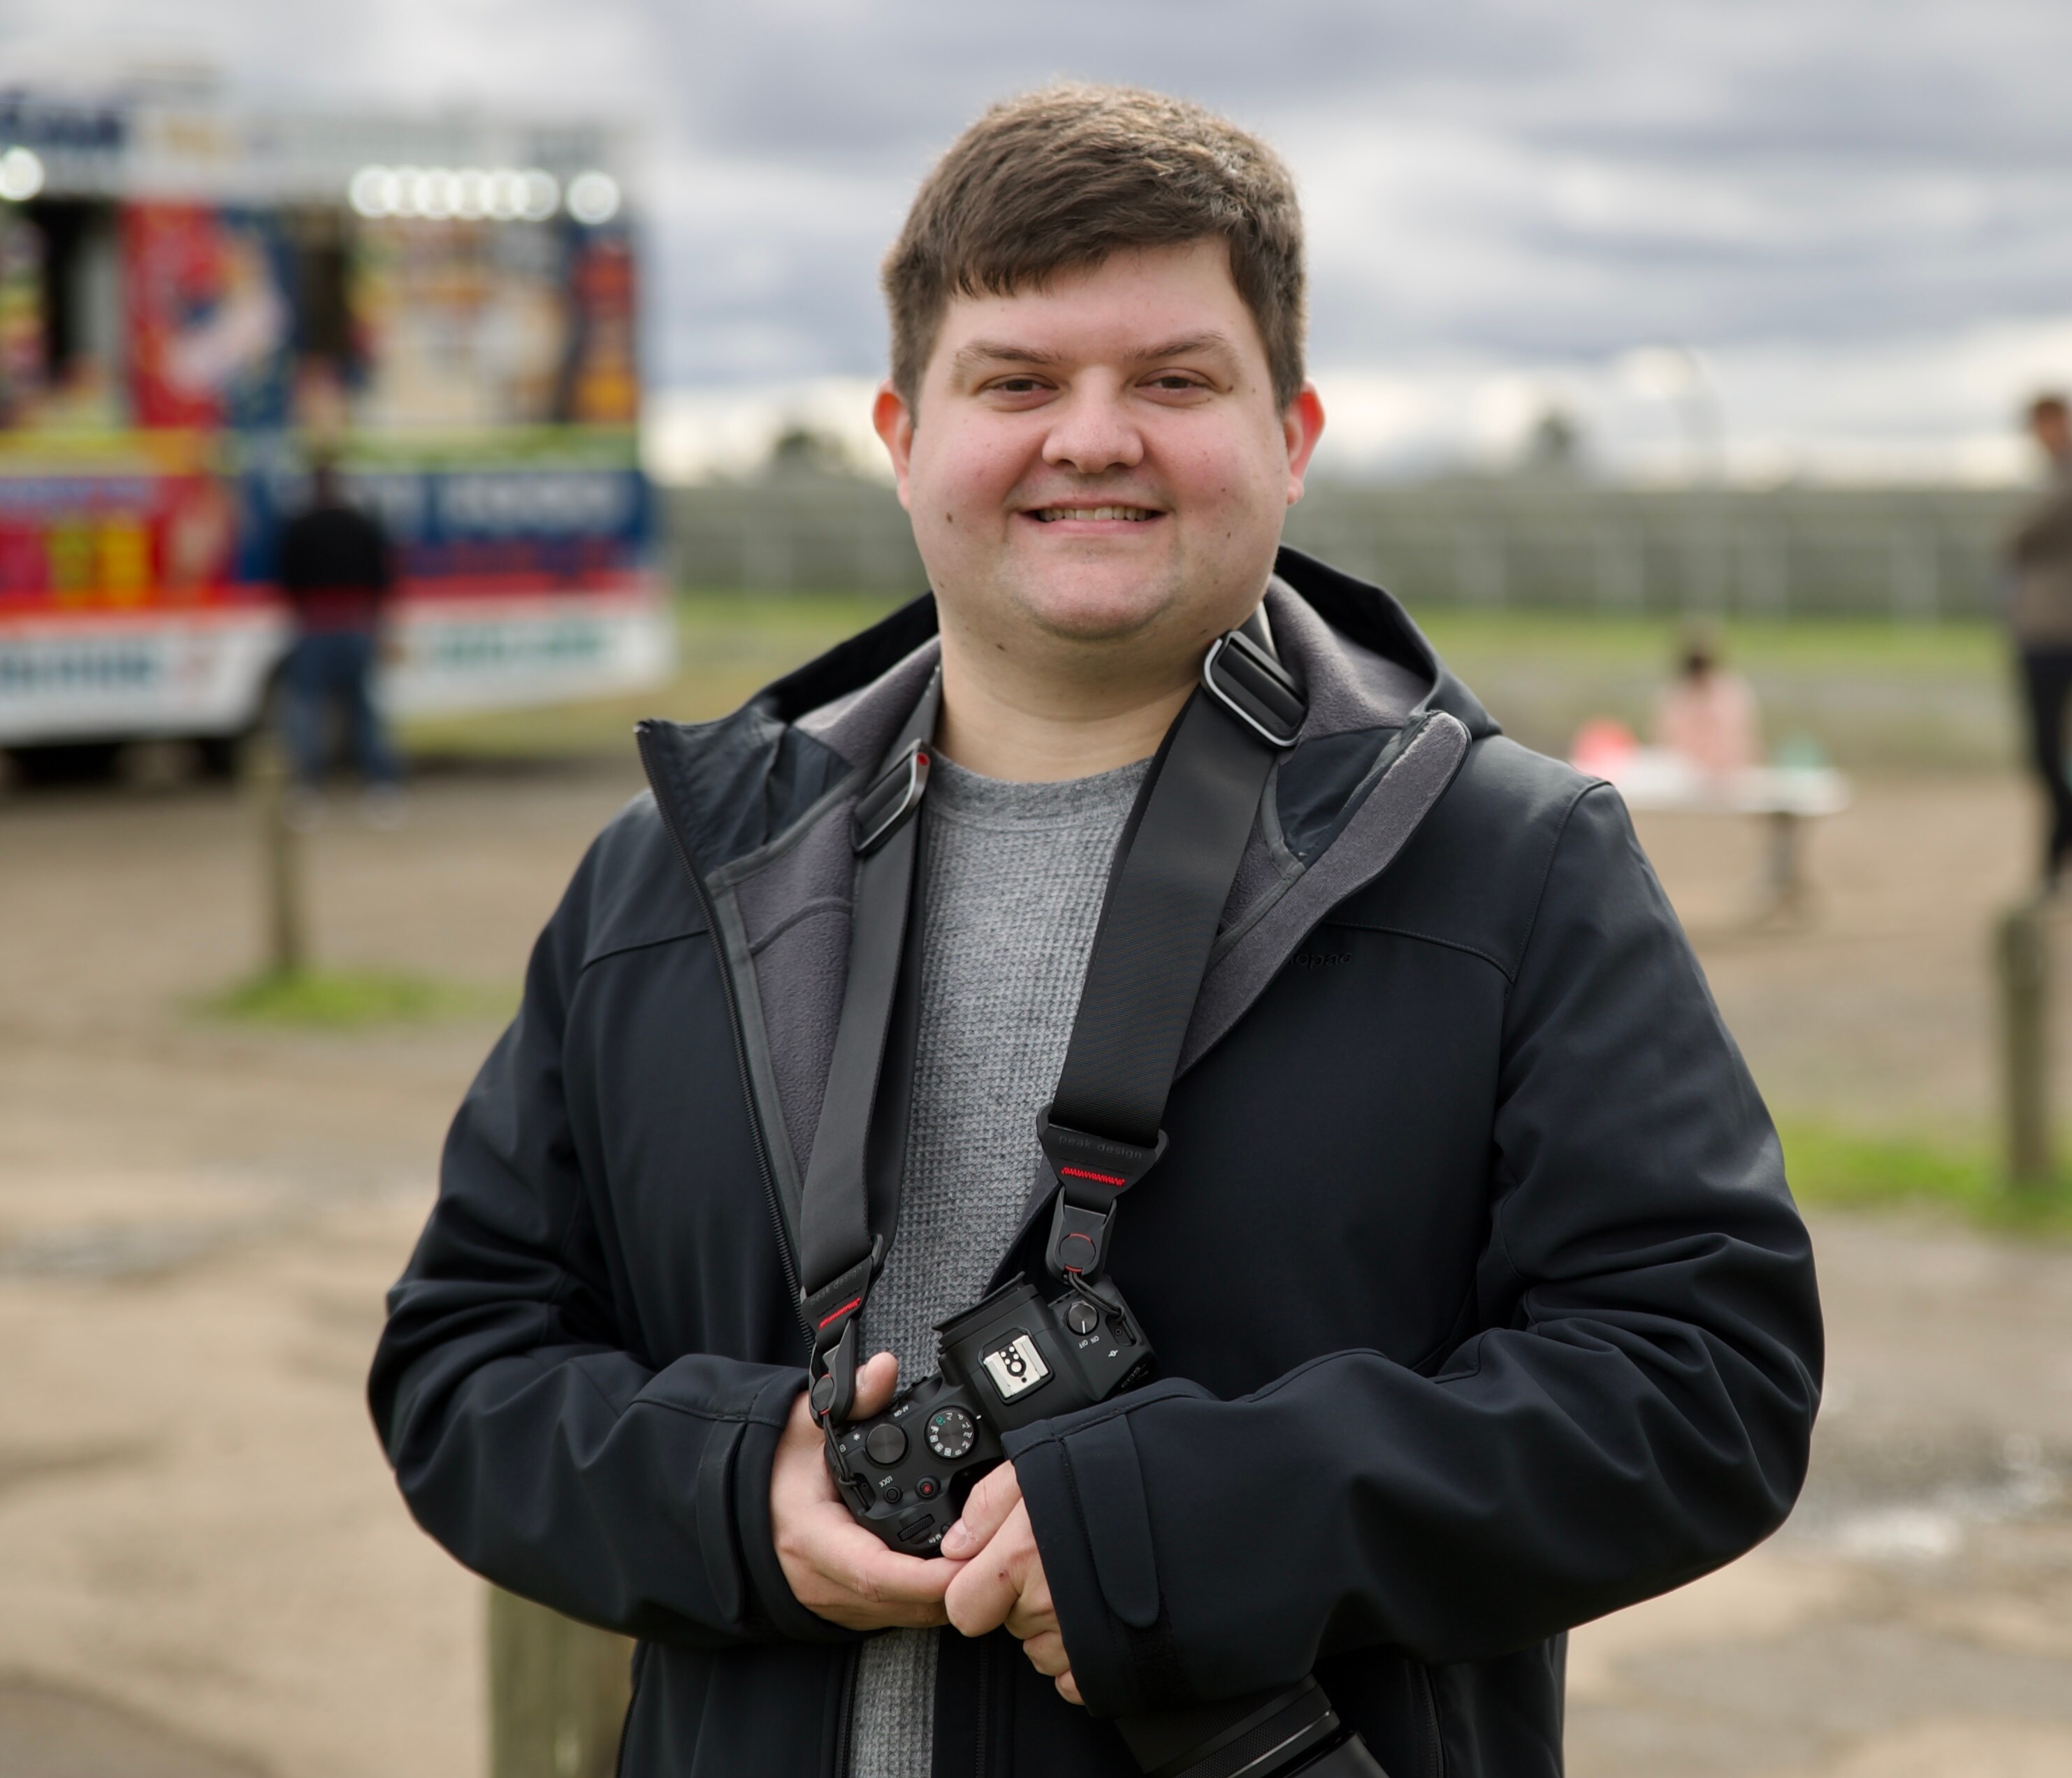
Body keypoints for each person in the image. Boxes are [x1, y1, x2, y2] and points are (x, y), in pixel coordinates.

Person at [368, 86, 1820, 1778]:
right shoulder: (668, 878)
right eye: (1017, 381)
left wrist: (1186, 1526)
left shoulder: (1512, 866)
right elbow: (461, 1363)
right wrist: (724, 1484)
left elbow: (1698, 1381)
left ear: (1290, 432)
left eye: (1172, 380)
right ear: (902, 436)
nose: (1090, 436)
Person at [2004, 392, 2072, 895]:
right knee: (2050, 753)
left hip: (2060, 634)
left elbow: (2018, 536)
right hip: (2044, 631)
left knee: (2048, 752)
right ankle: (2058, 863)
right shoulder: (2064, 479)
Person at [274, 458, 401, 821]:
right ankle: (382, 787)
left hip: (314, 627)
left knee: (307, 712)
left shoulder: (298, 526)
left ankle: (308, 790)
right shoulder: (362, 523)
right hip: (357, 625)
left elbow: (287, 578)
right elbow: (382, 578)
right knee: (365, 711)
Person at [1654, 632, 1762, 775]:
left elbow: (1741, 742)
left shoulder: (1731, 693)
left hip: (1727, 774)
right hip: (1686, 774)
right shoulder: (1676, 695)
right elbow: (1664, 741)